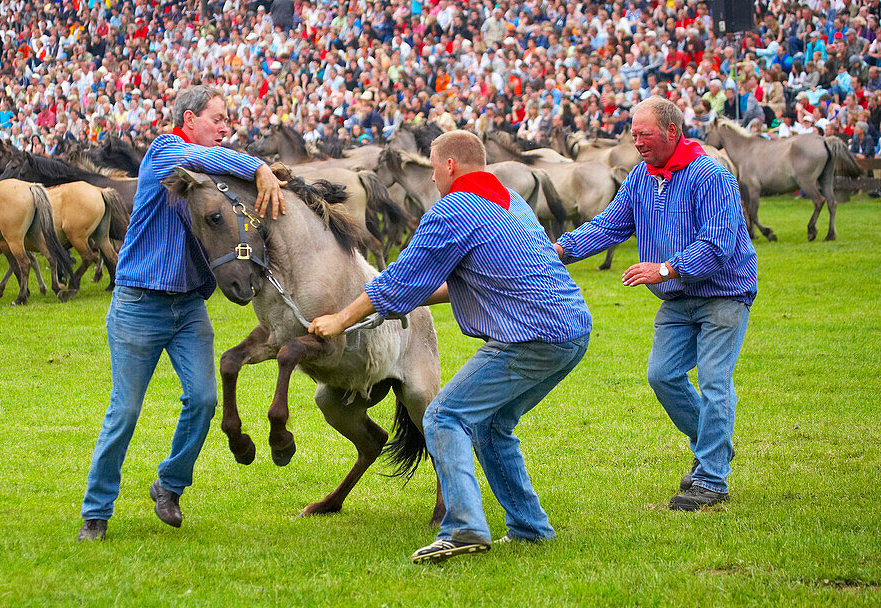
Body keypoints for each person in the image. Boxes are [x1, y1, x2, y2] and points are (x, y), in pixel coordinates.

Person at [308, 130, 592, 564]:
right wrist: (397, 299)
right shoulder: (511, 201)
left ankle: (463, 528)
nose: (434, 175)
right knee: (491, 427)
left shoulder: (453, 210)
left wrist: (341, 318)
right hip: (571, 331)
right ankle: (531, 529)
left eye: (434, 165)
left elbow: (398, 280)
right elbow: (449, 282)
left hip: (531, 337)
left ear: (450, 166)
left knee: (444, 415)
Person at [78, 85, 287, 541]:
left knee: (205, 400)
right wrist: (259, 166)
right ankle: (96, 511)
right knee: (126, 410)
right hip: (139, 306)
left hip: (189, 307)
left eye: (228, 119)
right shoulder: (165, 150)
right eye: (217, 118)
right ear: (189, 120)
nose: (226, 126)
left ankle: (169, 484)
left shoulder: (210, 173)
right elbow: (220, 160)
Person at [553, 96, 757, 511]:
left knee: (715, 381)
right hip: (678, 300)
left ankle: (712, 480)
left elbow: (718, 246)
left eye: (644, 135)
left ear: (671, 131)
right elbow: (608, 227)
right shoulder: (642, 177)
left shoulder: (709, 175)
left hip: (723, 293)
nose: (638, 143)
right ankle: (713, 450)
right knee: (662, 376)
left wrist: (664, 269)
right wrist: (558, 250)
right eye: (634, 136)